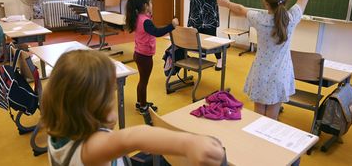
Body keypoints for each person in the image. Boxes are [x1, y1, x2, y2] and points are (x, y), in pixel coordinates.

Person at [42, 49, 225, 166]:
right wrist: (190, 143)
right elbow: (133, 137)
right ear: (93, 107)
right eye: (109, 96)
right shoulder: (91, 149)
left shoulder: (58, 130)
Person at [217, 0, 333, 120]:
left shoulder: (259, 18)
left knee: (258, 115)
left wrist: (226, 3)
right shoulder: (291, 18)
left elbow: (240, 9)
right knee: (272, 117)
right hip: (281, 75)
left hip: (260, 73)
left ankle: (256, 143)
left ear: (264, 1)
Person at [126, 0, 179, 114]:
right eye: (150, 3)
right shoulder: (146, 22)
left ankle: (140, 102)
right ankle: (143, 106)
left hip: (139, 53)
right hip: (144, 56)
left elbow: (149, 27)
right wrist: (172, 26)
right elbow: (157, 32)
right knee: (144, 81)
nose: (152, 5)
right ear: (145, 6)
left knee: (142, 80)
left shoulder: (139, 17)